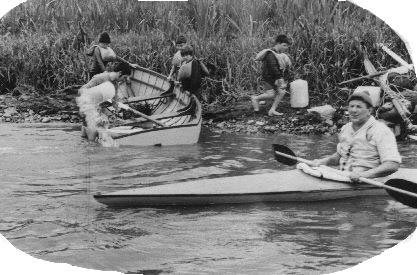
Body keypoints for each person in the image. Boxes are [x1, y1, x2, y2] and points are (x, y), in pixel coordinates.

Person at [312, 90, 401, 182]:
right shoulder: (345, 129)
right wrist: (322, 162)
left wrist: (363, 175)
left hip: (368, 182)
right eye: (351, 106)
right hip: (344, 178)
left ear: (369, 111)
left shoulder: (381, 131)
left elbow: (392, 165)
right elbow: (339, 156)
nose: (354, 110)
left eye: (359, 107)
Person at [251, 34, 293, 116]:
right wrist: (280, 78)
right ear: (278, 43)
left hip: (274, 77)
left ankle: (272, 110)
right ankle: (255, 98)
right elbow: (273, 67)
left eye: (287, 46)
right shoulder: (270, 54)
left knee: (281, 92)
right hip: (268, 78)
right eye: (284, 45)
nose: (286, 48)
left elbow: (280, 67)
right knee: (271, 94)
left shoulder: (277, 54)